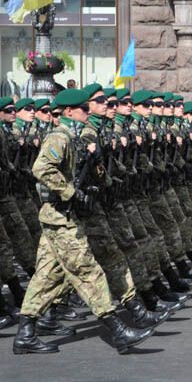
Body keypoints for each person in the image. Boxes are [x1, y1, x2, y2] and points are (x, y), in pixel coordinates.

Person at [13, 88, 156, 354]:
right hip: (60, 216)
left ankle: (25, 333)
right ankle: (117, 329)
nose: (88, 112)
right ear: (69, 112)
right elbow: (41, 168)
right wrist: (71, 192)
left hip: (63, 216)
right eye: (84, 109)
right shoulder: (60, 136)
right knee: (87, 271)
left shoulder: (75, 137)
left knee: (48, 275)